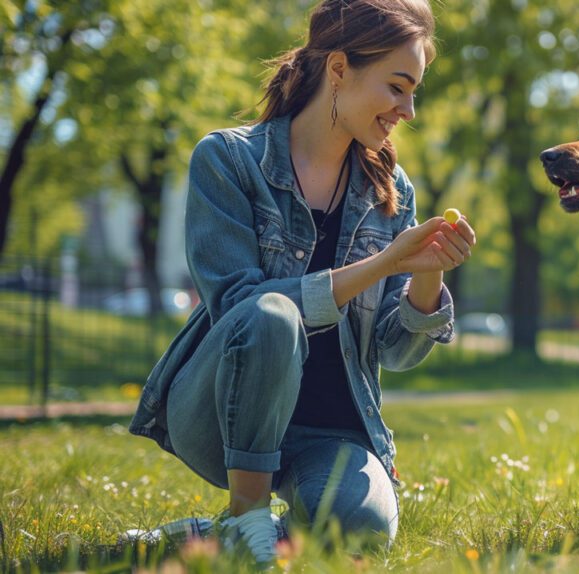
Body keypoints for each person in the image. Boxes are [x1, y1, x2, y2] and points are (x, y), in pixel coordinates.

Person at [129, 0, 474, 565]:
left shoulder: (391, 189)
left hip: (334, 429)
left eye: (414, 92)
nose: (408, 110)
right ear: (338, 69)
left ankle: (206, 537)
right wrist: (383, 263)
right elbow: (241, 306)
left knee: (358, 530)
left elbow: (395, 349)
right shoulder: (228, 160)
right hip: (226, 411)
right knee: (271, 314)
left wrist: (426, 272)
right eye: (397, 87)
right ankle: (246, 512)